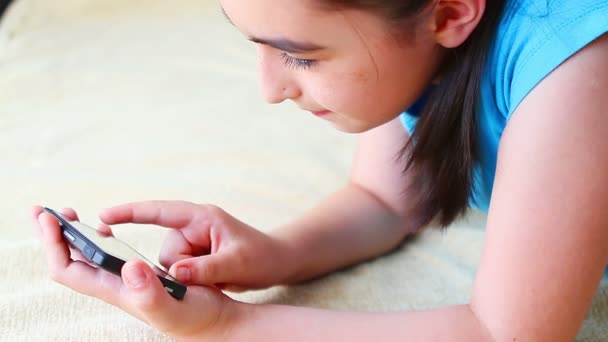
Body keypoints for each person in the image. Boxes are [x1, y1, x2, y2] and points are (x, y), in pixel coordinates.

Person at [31, 0, 608, 340]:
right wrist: (273, 254)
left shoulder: (576, 77)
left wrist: (231, 327)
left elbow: (505, 333)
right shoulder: (414, 43)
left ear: (453, 12)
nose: (269, 89)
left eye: (301, 56)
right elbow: (385, 201)